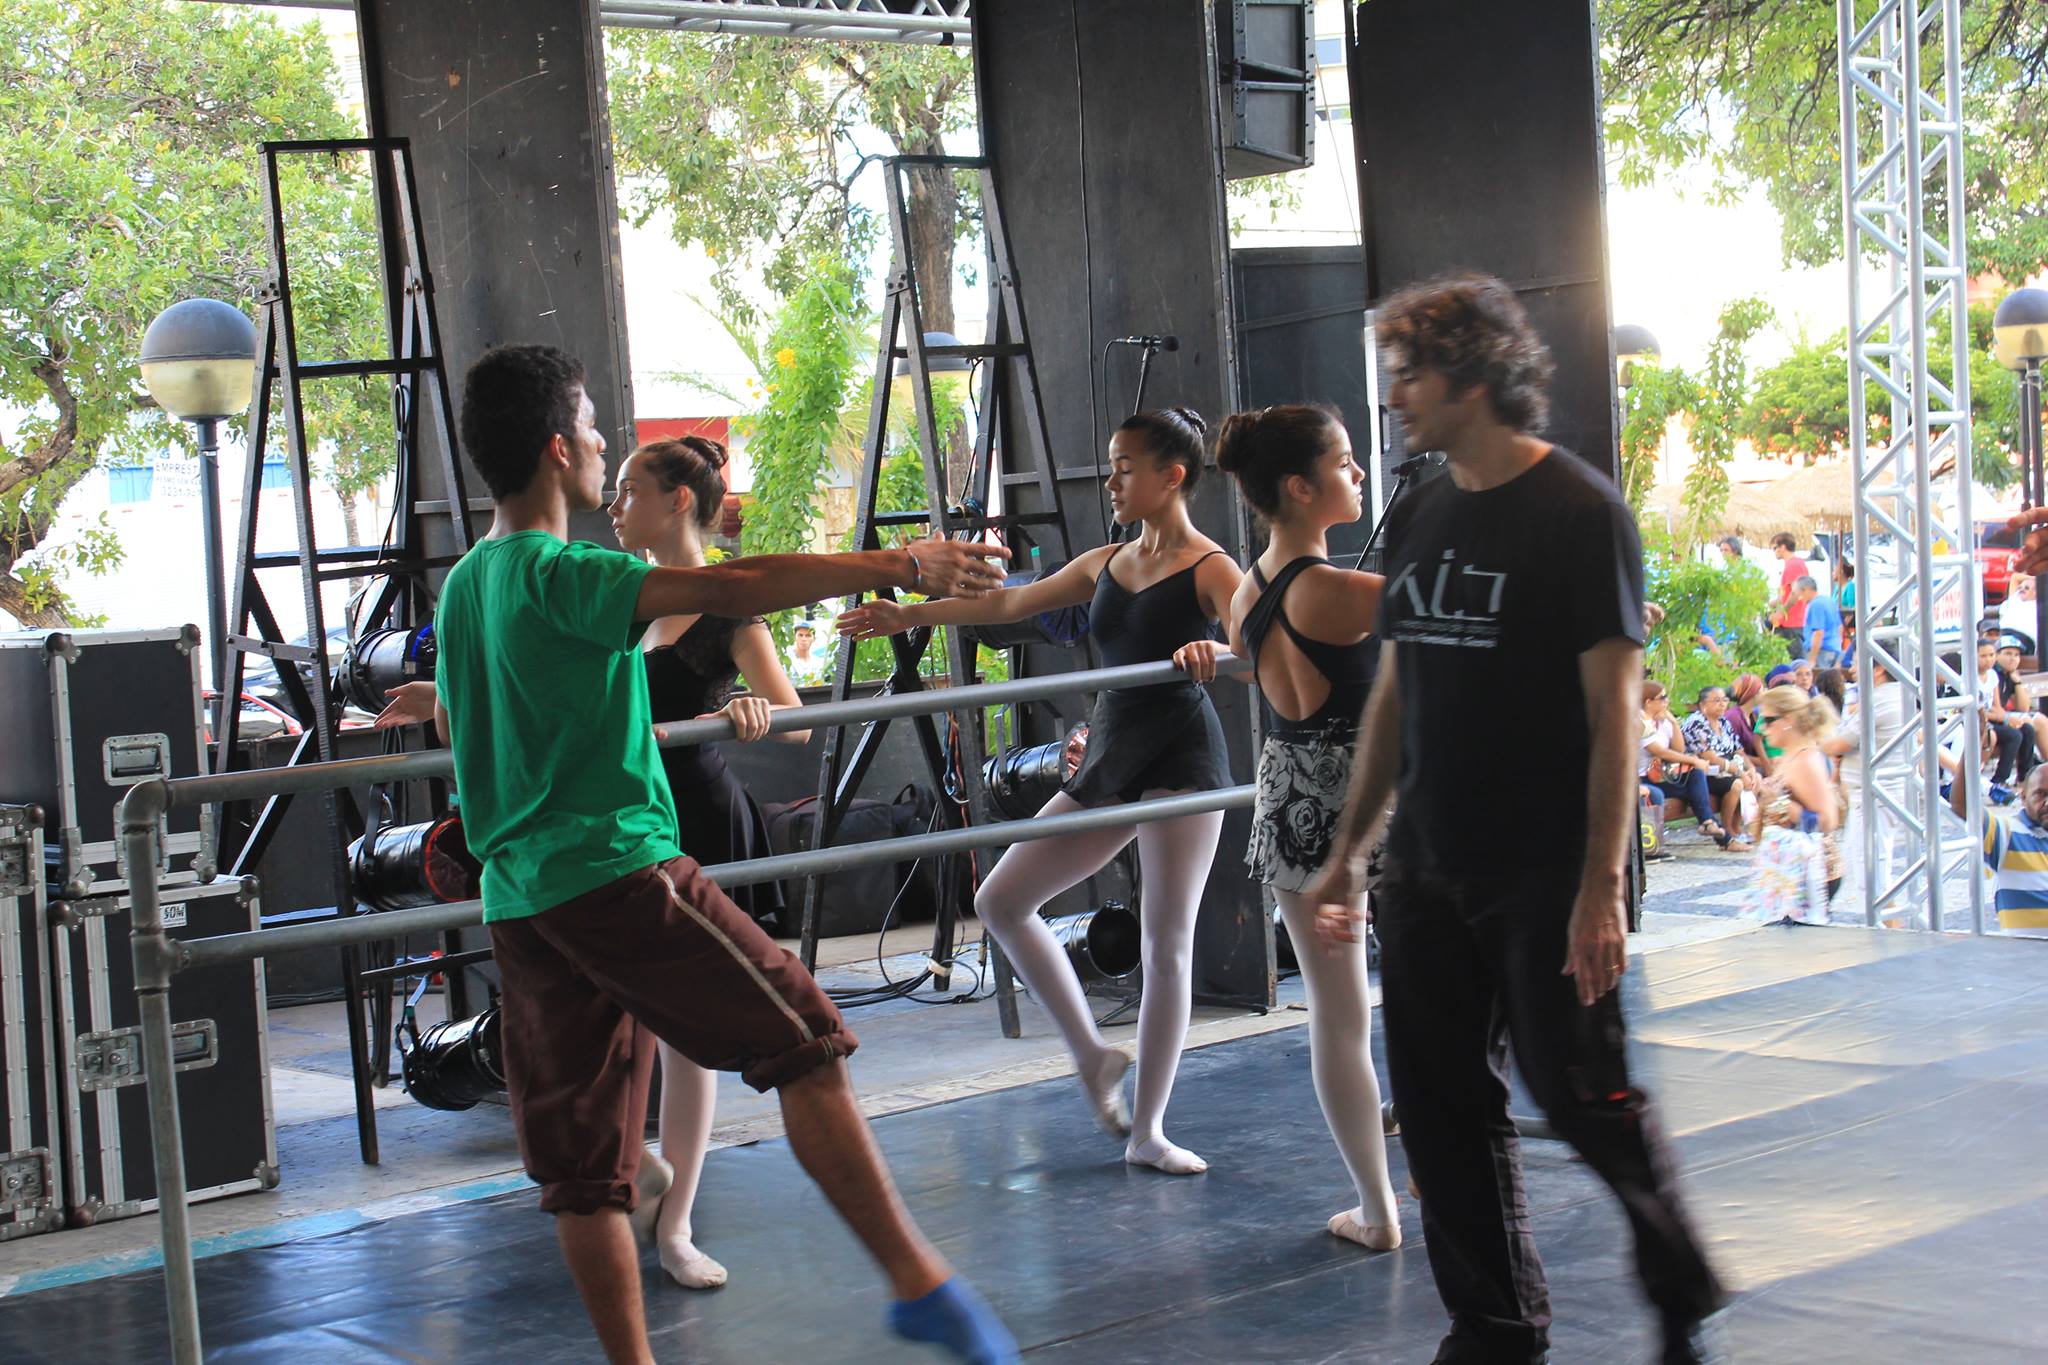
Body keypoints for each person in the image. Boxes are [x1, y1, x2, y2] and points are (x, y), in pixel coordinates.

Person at [432, 344, 1016, 1365]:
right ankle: (918, 1284)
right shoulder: (561, 572)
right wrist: (897, 564)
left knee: (585, 1176)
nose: (604, 445)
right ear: (559, 447)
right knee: (808, 1043)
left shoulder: (466, 585)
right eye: (593, 427)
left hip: (521, 902)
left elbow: (467, 716)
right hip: (613, 872)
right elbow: (739, 582)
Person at [1302, 275, 1725, 1365]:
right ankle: (1492, 1327)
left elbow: (1614, 713)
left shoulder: (1581, 515)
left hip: (1541, 871)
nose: (1395, 394)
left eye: (1411, 373)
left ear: (1473, 376)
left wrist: (1601, 886)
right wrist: (1350, 853)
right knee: (1440, 1106)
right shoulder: (1420, 511)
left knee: (1579, 1094)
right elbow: (1396, 696)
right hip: (1427, 863)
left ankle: (1677, 1281)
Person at [376, 434, 813, 1291]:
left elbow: (792, 717)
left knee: (688, 1038)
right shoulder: (609, 593)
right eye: (612, 490)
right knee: (603, 1021)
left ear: (678, 500)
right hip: (607, 823)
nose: (614, 506)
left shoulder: (722, 612)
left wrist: (742, 706)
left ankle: (677, 1221)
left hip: (689, 817)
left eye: (631, 490)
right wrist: (448, 691)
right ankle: (638, 1173)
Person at [840, 407, 1239, 1176]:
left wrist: (1214, 650)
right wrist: (908, 614)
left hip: (1183, 753)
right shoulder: (1105, 562)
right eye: (1111, 464)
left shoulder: (1211, 567)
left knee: (1166, 942)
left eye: (1125, 467)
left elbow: (1259, 648)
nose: (1112, 480)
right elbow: (1006, 604)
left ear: (1171, 476)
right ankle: (1092, 1054)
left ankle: (1149, 1129)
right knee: (1001, 899)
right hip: (1115, 751)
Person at [1178, 401, 1400, 1248]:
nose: (1360, 474)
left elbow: (1270, 669)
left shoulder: (1246, 591)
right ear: (1301, 488)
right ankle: (1421, 1158)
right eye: (1344, 463)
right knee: (1411, 999)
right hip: (1369, 799)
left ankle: (1376, 1208)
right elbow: (1464, 612)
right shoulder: (1339, 591)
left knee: (1337, 1016)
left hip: (1292, 795)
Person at [1749, 684, 1840, 924]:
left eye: (1768, 720)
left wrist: (1778, 802)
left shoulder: (1806, 760)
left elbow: (1828, 820)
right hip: (1788, 869)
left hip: (1808, 873)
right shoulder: (1791, 755)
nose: (1762, 728)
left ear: (1788, 720)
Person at [1640, 681, 1731, 846]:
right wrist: (1695, 760)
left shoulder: (1662, 721)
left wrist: (1673, 723)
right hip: (1639, 780)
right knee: (1666, 793)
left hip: (1658, 777)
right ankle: (1722, 837)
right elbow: (1659, 751)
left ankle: (1709, 824)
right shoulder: (1639, 721)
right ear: (1648, 702)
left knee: (1695, 776)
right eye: (1662, 698)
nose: (1667, 701)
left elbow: (1678, 750)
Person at [1975, 763, 2048, 937]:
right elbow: (1963, 806)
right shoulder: (2007, 833)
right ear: (2023, 797)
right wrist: (1973, 749)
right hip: (2025, 952)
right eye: (2040, 794)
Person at [1680, 684, 1752, 848]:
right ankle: (1727, 832)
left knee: (1753, 779)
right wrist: (1740, 772)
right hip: (1704, 773)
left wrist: (1751, 770)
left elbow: (1738, 750)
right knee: (1737, 783)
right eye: (1717, 701)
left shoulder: (1723, 721)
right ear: (1703, 704)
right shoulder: (1696, 723)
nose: (1722, 704)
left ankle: (1737, 828)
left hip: (1728, 768)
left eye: (1724, 700)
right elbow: (1709, 757)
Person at [1770, 531, 1808, 653]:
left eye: (1775, 548)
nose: (1774, 551)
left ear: (1783, 547)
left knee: (1794, 660)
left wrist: (1781, 612)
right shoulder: (1793, 564)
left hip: (1792, 623)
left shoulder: (1794, 565)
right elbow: (1786, 595)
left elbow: (1796, 593)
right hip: (1788, 623)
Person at [1795, 574, 1843, 668]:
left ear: (1805, 590)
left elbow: (1818, 633)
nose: (1800, 599)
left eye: (1799, 594)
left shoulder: (1815, 605)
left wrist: (1812, 659)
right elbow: (1840, 627)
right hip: (1834, 650)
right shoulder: (1830, 601)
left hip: (1821, 652)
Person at [787, 620, 830, 686]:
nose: (804, 639)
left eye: (808, 635)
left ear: (814, 639)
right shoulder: (786, 661)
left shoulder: (819, 663)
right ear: (794, 637)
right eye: (800, 635)